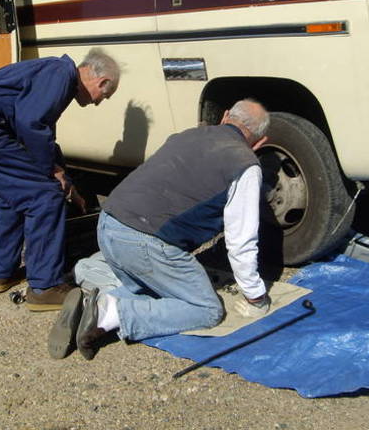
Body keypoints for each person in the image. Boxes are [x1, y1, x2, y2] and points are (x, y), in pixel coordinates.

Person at [48, 99, 271, 360]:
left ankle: (91, 293)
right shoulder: (245, 164)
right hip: (143, 242)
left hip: (108, 224)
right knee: (206, 309)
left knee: (148, 286)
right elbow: (241, 240)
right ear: (259, 142)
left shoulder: (185, 136)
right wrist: (255, 295)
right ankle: (110, 312)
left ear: (224, 117)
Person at [0, 49, 120, 311]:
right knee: (45, 197)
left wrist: (59, 171)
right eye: (103, 96)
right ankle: (44, 287)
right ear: (101, 82)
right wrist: (52, 172)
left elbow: (40, 134)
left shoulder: (54, 75)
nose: (98, 102)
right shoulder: (60, 75)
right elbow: (31, 125)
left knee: (10, 198)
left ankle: (2, 272)